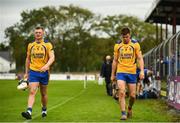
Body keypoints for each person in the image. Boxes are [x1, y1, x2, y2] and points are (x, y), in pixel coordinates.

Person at [21, 26, 55, 119]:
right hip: (33, 72)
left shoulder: (48, 44)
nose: (38, 34)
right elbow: (28, 59)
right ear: (34, 34)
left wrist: (47, 65)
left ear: (43, 33)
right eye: (36, 32)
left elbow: (52, 57)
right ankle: (29, 111)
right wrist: (26, 72)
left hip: (44, 73)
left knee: (43, 93)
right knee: (32, 91)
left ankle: (44, 109)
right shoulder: (30, 45)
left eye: (40, 32)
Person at [111, 27, 144, 120]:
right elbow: (115, 60)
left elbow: (140, 58)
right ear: (121, 36)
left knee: (133, 95)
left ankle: (129, 108)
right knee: (121, 92)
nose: (125, 39)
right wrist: (112, 74)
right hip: (121, 71)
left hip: (132, 72)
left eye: (127, 37)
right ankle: (123, 113)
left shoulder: (135, 44)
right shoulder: (117, 45)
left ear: (130, 35)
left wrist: (141, 70)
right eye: (124, 37)